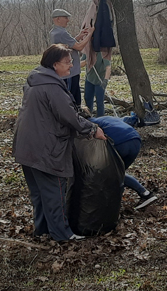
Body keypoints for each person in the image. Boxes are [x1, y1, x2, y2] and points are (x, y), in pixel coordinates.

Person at [13, 44, 107, 242]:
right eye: (68, 62)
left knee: (39, 193)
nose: (71, 65)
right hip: (44, 148)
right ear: (55, 64)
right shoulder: (52, 86)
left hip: (25, 146)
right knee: (54, 193)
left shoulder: (35, 80)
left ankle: (42, 230)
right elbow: (69, 117)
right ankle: (62, 234)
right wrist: (92, 129)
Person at [89, 116, 158, 208]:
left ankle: (145, 194)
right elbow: (127, 120)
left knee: (113, 173)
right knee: (118, 173)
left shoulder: (89, 126)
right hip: (135, 140)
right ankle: (115, 200)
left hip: (121, 143)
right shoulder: (105, 118)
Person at [49, 9, 93, 107]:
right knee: (72, 98)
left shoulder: (54, 32)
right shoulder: (61, 33)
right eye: (65, 18)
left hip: (66, 71)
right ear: (58, 19)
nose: (68, 20)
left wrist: (80, 36)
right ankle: (75, 117)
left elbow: (69, 44)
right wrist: (90, 35)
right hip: (69, 73)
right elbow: (78, 47)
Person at [83, 50, 111, 117]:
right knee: (87, 99)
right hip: (89, 79)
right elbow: (79, 64)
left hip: (100, 81)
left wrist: (105, 80)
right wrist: (87, 61)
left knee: (99, 101)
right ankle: (89, 118)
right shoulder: (88, 51)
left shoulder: (103, 52)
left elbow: (108, 67)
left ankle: (101, 119)